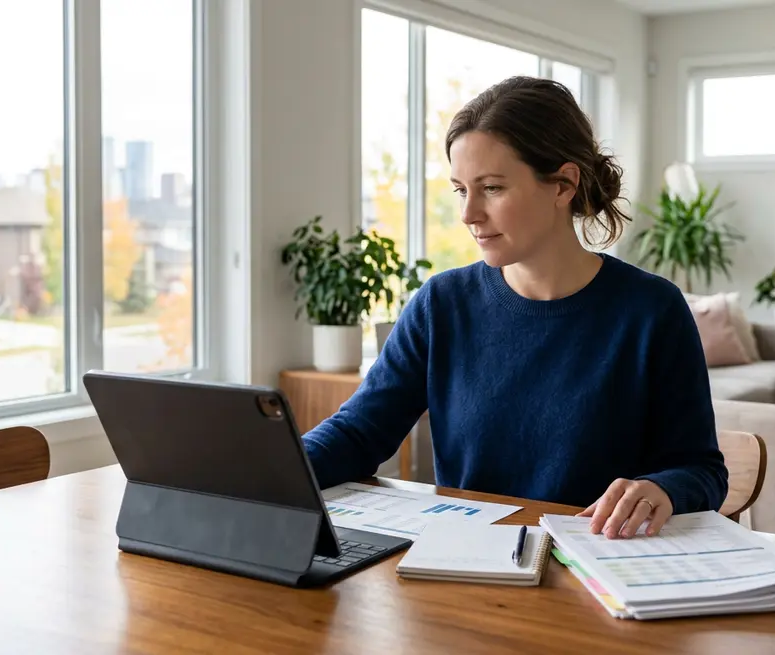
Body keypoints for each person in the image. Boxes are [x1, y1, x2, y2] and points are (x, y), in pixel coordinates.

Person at [302, 76, 727, 539]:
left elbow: (700, 469)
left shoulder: (652, 311)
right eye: (461, 190)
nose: (468, 215)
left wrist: (660, 489)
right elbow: (358, 433)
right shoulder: (441, 304)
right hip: (462, 568)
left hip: (595, 577)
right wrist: (270, 469)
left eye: (493, 188)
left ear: (564, 184)